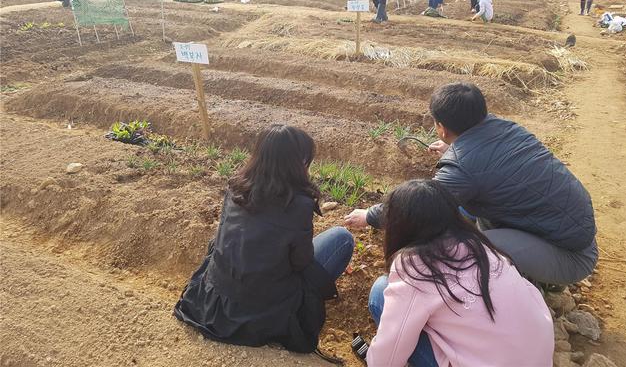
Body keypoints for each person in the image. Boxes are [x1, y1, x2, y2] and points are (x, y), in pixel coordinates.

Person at [345, 82, 597, 287]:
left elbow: (415, 206)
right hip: (566, 228)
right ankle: (531, 273)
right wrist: (455, 149)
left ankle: (524, 291)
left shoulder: (463, 169)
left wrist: (368, 215)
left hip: (571, 255)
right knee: (467, 213)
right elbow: (484, 158)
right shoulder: (505, 127)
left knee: (464, 252)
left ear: (442, 128)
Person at [174, 125, 354, 354]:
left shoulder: (236, 188)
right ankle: (300, 309)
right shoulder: (298, 205)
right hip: (261, 309)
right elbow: (300, 262)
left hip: (216, 300)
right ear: (295, 162)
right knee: (341, 238)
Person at [365, 179, 554, 367]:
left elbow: (385, 362)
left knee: (380, 292)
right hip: (540, 357)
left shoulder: (416, 269)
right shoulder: (481, 247)